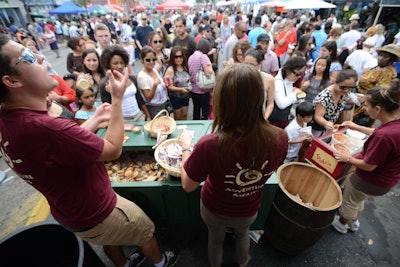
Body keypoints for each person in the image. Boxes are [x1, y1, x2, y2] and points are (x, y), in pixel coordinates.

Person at [0, 34, 178, 267]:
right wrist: (116, 99)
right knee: (144, 230)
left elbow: (62, 145)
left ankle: (124, 264)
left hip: (71, 213)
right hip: (99, 210)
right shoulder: (47, 128)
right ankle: (161, 261)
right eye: (28, 57)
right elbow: (113, 149)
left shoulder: (8, 118)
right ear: (11, 81)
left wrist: (93, 120)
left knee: (110, 238)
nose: (41, 58)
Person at [178, 63, 288, 267]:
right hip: (249, 207)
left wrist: (186, 149)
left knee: (215, 239)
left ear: (221, 101)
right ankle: (242, 260)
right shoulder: (280, 138)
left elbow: (188, 185)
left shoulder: (209, 144)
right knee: (243, 233)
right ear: (259, 99)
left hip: (214, 208)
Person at [332, 79, 400, 234]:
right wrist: (356, 127)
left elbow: (368, 165)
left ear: (378, 109)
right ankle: (354, 223)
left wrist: (347, 157)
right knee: (358, 200)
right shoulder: (394, 122)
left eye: (367, 105)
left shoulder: (384, 136)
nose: (364, 108)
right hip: (386, 182)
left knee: (349, 201)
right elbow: (377, 132)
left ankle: (341, 224)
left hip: (369, 180)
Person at [99, 45, 150, 121]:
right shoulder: (105, 84)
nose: (119, 66)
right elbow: (108, 106)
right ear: (108, 64)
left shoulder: (132, 78)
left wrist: (147, 116)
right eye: (115, 63)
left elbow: (139, 99)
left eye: (122, 63)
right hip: (122, 120)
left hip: (139, 116)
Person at [353, 44, 399, 126]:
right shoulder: (379, 68)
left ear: (391, 60)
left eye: (385, 57)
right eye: (380, 55)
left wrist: (367, 104)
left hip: (368, 102)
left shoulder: (387, 72)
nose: (381, 58)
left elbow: (380, 92)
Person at [312, 69, 358, 137]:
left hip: (330, 127)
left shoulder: (345, 92)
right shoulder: (325, 97)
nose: (346, 90)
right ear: (336, 82)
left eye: (350, 88)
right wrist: (326, 123)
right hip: (318, 128)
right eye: (343, 87)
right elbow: (318, 116)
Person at [269, 57, 307, 129]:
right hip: (275, 122)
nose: (299, 77)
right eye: (297, 74)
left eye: (302, 74)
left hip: (283, 118)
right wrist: (294, 93)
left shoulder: (289, 80)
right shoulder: (278, 82)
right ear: (288, 71)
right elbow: (281, 104)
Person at [137, 46, 169, 119]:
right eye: (148, 60)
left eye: (154, 59)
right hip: (154, 108)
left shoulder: (154, 70)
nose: (151, 62)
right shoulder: (142, 76)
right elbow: (148, 98)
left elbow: (160, 84)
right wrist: (154, 85)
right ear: (142, 60)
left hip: (163, 104)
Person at [244, 47, 275, 119]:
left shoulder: (268, 79)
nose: (248, 68)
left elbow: (270, 103)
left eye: (252, 65)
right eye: (245, 64)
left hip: (259, 119)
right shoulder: (239, 77)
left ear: (259, 64)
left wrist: (264, 118)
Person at [188, 38, 215, 120]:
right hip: (203, 89)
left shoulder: (191, 57)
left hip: (193, 89)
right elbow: (209, 72)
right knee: (204, 112)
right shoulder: (203, 57)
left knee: (196, 110)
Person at [164, 46, 191, 120]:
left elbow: (188, 79)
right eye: (176, 57)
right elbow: (169, 86)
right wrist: (181, 89)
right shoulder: (170, 70)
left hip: (185, 96)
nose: (179, 59)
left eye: (180, 56)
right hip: (175, 97)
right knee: (178, 117)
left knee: (185, 115)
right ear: (173, 58)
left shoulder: (184, 67)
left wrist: (189, 84)